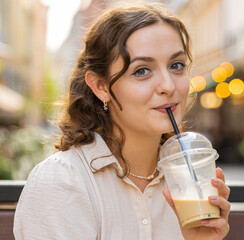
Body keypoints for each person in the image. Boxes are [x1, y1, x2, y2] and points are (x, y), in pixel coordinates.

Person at [13, 2, 230, 239]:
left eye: (176, 66)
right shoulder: (62, 182)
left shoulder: (191, 182)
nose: (168, 86)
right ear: (100, 86)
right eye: (142, 71)